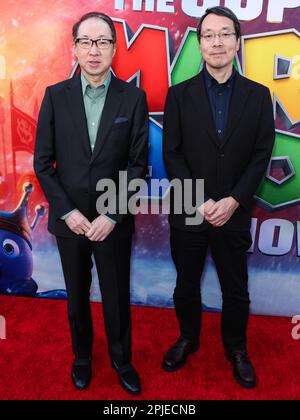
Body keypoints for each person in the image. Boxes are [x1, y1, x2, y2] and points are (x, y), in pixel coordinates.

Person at [34, 12, 148, 395]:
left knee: (116, 295)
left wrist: (112, 214)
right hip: (70, 222)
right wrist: (69, 212)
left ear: (114, 48)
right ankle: (82, 355)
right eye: (86, 41)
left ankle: (122, 359)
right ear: (75, 47)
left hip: (112, 221)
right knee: (76, 293)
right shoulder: (55, 96)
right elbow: (43, 164)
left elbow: (138, 165)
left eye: (103, 42)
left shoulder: (133, 98)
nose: (94, 50)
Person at [162, 6, 275, 389]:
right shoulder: (178, 95)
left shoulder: (259, 96)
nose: (217, 42)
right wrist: (198, 201)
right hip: (188, 210)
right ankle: (188, 338)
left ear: (237, 41)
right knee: (186, 284)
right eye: (208, 35)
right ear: (199, 43)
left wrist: (233, 201)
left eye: (225, 34)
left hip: (234, 211)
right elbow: (172, 153)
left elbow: (262, 154)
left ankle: (236, 349)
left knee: (235, 288)